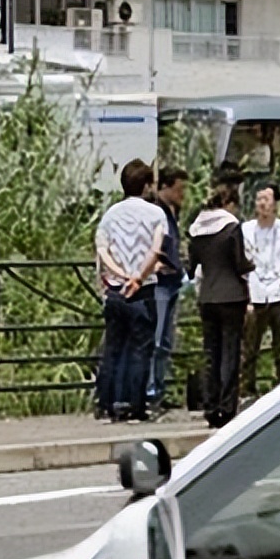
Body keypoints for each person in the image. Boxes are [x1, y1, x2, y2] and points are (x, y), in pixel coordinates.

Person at [94, 159, 167, 423]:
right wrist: (138, 277)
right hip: (142, 290)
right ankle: (135, 405)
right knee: (140, 349)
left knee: (113, 347)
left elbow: (103, 250)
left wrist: (120, 274)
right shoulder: (156, 214)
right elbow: (156, 249)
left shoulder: (110, 214)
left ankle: (107, 403)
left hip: (115, 289)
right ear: (146, 185)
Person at [188, 189, 253, 428]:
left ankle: (210, 405)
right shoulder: (231, 227)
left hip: (207, 296)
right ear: (229, 204)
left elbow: (192, 265)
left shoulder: (197, 229)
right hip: (232, 295)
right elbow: (240, 263)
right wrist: (252, 266)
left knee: (211, 354)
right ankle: (227, 407)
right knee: (230, 352)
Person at [240, 183, 280, 399]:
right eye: (259, 199)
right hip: (255, 290)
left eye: (267, 199)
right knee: (250, 346)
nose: (262, 204)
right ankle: (247, 390)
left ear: (276, 203)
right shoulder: (246, 229)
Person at [147, 167, 189, 412]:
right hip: (160, 282)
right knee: (156, 337)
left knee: (165, 340)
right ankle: (151, 389)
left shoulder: (173, 212)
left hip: (173, 279)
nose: (182, 194)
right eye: (178, 189)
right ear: (166, 187)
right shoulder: (155, 211)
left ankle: (159, 387)